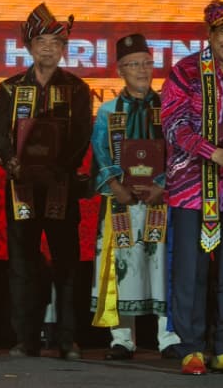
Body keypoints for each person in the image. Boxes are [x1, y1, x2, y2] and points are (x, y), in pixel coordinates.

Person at [0, 3, 91, 360]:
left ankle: (68, 339)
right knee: (22, 266)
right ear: (29, 47)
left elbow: (81, 135)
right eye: (41, 42)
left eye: (55, 43)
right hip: (22, 187)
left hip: (61, 185)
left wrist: (59, 166)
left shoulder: (77, 88)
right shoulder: (10, 88)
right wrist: (12, 162)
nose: (48, 49)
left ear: (63, 49)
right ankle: (25, 338)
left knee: (67, 265)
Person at [161, 0, 223, 375]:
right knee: (191, 272)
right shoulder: (185, 72)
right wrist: (216, 152)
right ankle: (191, 349)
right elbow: (174, 126)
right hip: (191, 189)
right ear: (210, 34)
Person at [90, 34, 180, 361]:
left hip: (160, 200)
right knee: (122, 264)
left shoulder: (169, 107)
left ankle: (168, 336)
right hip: (121, 201)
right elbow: (100, 153)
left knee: (162, 264)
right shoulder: (108, 111)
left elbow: (177, 151)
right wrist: (116, 187)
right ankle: (122, 338)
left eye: (146, 63)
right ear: (120, 70)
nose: (142, 70)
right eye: (133, 64)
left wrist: (162, 185)